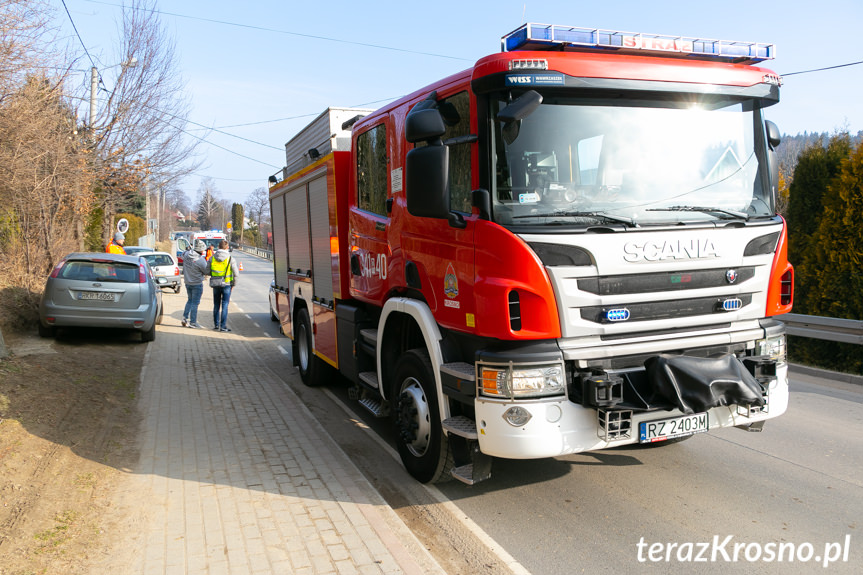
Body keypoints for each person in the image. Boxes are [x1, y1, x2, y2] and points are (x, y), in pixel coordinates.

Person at [209, 240, 239, 332]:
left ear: (219, 247)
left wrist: (214, 275)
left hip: (216, 284)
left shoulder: (212, 258)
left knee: (216, 305)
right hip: (226, 285)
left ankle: (216, 325)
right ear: (227, 247)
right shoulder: (230, 259)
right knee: (225, 305)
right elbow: (236, 274)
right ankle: (223, 326)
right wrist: (233, 284)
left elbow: (206, 271)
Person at [181, 240, 209, 329]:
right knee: (195, 303)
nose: (204, 251)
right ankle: (193, 322)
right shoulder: (200, 260)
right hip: (197, 283)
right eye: (203, 250)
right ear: (200, 250)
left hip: (187, 282)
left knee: (189, 300)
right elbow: (206, 271)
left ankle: (184, 318)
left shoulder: (186, 255)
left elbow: (183, 253)